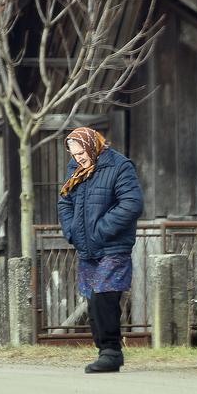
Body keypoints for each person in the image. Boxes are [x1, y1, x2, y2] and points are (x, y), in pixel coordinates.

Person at [57, 126, 144, 373]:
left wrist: (100, 230)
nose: (78, 158)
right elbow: (64, 202)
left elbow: (132, 204)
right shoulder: (76, 169)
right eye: (74, 154)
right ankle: (105, 351)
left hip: (113, 246)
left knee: (104, 296)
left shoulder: (120, 166)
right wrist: (72, 231)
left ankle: (111, 353)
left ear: (91, 145)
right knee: (93, 299)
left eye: (81, 153)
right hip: (86, 248)